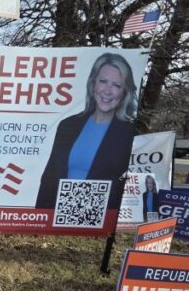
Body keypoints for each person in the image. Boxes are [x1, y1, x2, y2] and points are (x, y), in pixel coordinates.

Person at [36, 53, 138, 209]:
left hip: (101, 217)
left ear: (125, 92)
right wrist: (41, 218)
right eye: (103, 81)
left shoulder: (131, 132)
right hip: (58, 214)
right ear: (93, 83)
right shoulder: (67, 125)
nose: (107, 91)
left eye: (117, 85)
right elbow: (49, 178)